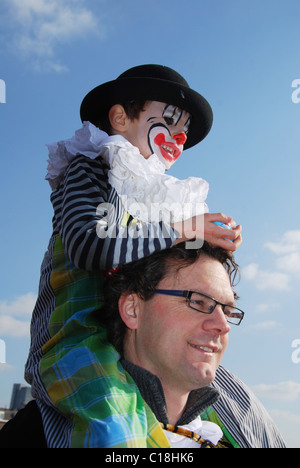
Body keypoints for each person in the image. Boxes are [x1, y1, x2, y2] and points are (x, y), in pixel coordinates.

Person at [24, 64, 242, 448]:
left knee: (227, 417)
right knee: (114, 428)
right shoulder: (90, 169)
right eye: (170, 121)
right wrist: (185, 230)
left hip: (138, 339)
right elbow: (91, 246)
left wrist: (212, 247)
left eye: (184, 130)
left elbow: (166, 266)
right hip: (77, 334)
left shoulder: (160, 195)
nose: (178, 136)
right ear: (120, 117)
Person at [94, 241, 285, 448]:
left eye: (227, 311)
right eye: (197, 301)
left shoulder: (239, 421)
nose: (223, 325)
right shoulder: (78, 429)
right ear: (133, 309)